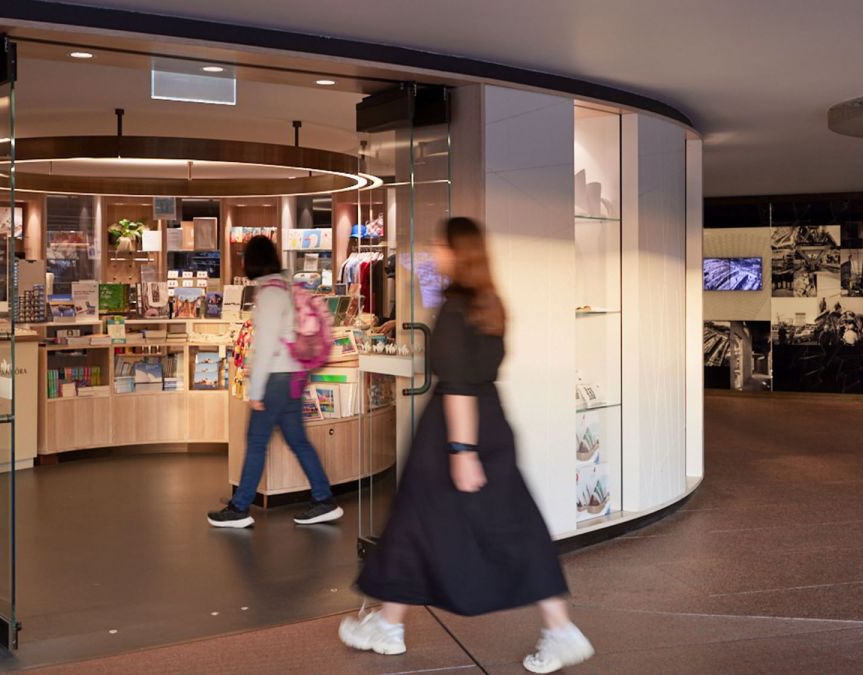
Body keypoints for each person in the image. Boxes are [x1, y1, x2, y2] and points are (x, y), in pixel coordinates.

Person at [338, 218, 594, 673]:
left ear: (458, 252)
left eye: (440, 245)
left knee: (430, 521)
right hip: (491, 425)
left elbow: (458, 387)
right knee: (485, 524)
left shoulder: (456, 310)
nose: (435, 252)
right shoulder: (489, 304)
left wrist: (461, 451)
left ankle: (558, 630)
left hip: (455, 435)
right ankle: (390, 623)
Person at [207, 235, 344, 528]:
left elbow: (266, 345)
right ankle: (324, 500)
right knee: (298, 440)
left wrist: (255, 391)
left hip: (276, 379)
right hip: (294, 375)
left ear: (252, 261)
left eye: (245, 257)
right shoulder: (285, 287)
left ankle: (240, 507)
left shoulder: (269, 294)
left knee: (256, 441)